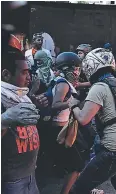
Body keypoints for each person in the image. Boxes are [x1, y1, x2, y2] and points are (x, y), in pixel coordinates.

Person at [69, 48, 116, 194]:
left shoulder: (99, 87)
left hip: (115, 149)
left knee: (78, 189)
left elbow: (83, 119)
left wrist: (72, 105)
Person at [1, 46, 41, 194]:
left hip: (29, 173)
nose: (29, 77)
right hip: (11, 179)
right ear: (6, 74)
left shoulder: (20, 95)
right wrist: (4, 119)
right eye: (24, 73)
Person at [50, 52, 91, 194]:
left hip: (66, 126)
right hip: (61, 128)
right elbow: (55, 105)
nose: (77, 72)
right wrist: (72, 104)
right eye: (75, 69)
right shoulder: (63, 84)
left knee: (80, 159)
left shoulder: (65, 83)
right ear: (67, 69)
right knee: (76, 165)